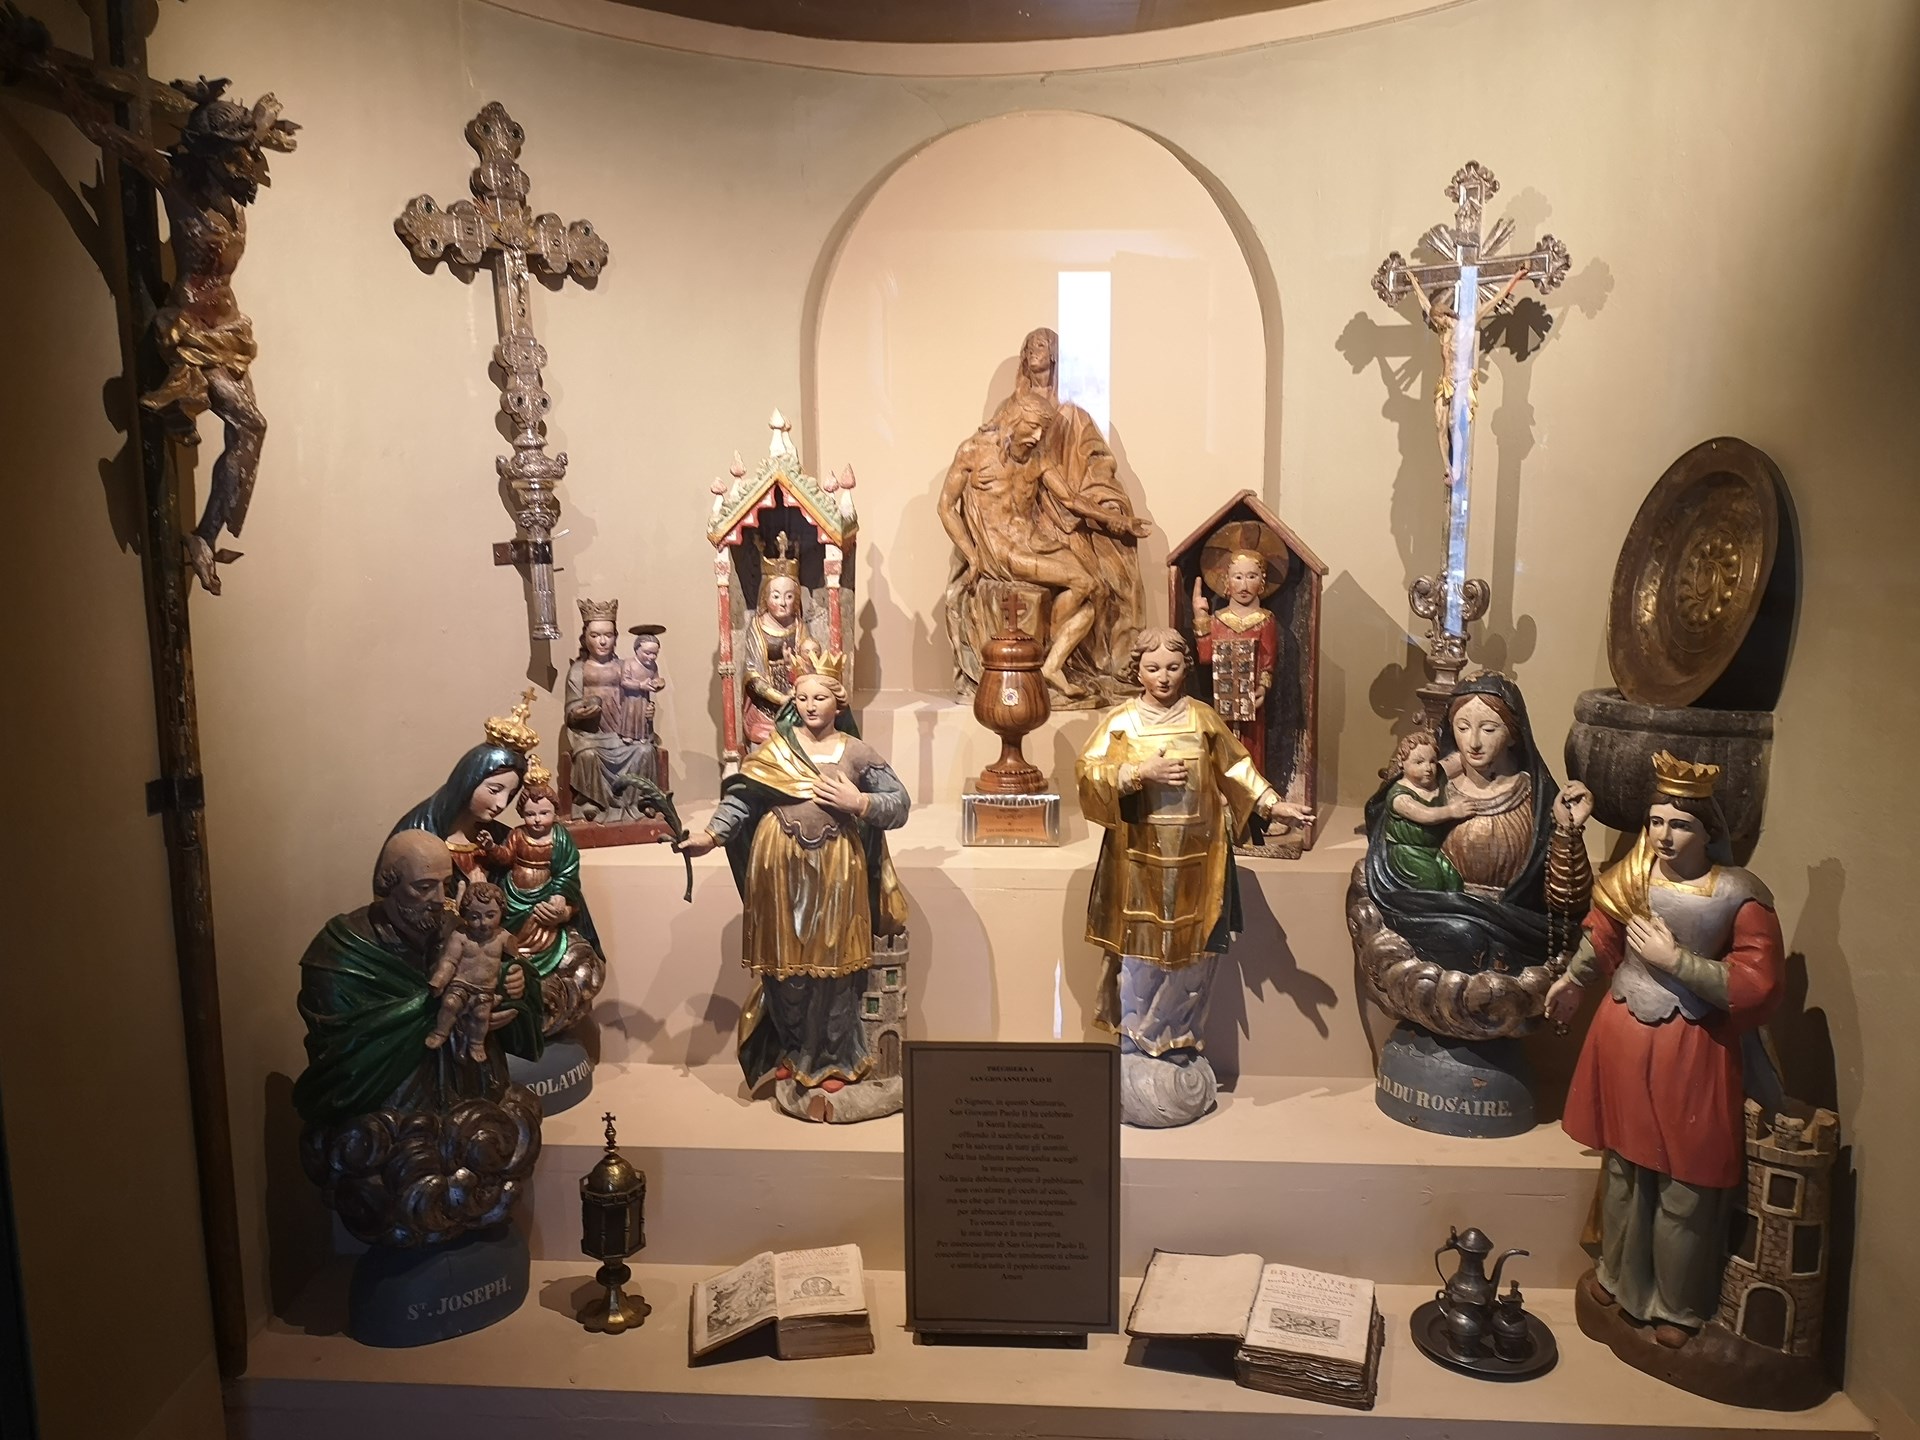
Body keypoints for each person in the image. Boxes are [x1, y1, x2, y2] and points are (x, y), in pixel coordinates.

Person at [1545, 752, 1784, 1348]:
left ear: (1709, 832)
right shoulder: (1633, 875)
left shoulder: (1738, 894)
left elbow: (1758, 982)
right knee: (1624, 1168)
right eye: (1655, 822)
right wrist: (1573, 981)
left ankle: (1676, 1306)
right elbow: (1602, 935)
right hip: (1625, 1032)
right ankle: (1617, 1275)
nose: (1663, 835)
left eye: (1680, 825)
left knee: (1686, 1184)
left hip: (1693, 1047)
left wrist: (1676, 961)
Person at [1076, 627, 1313, 1126]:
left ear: (1187, 668)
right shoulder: (1121, 723)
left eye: (1173, 667)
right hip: (1139, 864)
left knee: (1193, 959)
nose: (1163, 678)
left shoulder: (1202, 718)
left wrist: (1273, 804)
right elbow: (1089, 773)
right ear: (1137, 671)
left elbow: (1237, 768)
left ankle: (1178, 1043)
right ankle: (1140, 1044)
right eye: (1152, 668)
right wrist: (1139, 773)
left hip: (1198, 864)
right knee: (1142, 958)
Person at [678, 651, 909, 1117]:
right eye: (801, 698)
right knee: (784, 970)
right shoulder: (774, 751)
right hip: (778, 864)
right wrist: (709, 836)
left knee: (836, 970)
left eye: (819, 697)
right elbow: (741, 800)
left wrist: (859, 802)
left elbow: (899, 803)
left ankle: (835, 1059)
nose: (809, 705)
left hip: (837, 869)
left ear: (838, 701)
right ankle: (794, 1051)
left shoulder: (857, 752)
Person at [292, 830, 540, 1246]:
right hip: (393, 1119)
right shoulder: (343, 953)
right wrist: (431, 1012)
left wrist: (517, 984)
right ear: (387, 884)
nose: (439, 899)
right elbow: (345, 1048)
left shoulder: (461, 928)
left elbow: (507, 975)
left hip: (470, 1105)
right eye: (424, 887)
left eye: (445, 884)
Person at [480, 759, 607, 1037]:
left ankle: (542, 965)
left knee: (544, 926)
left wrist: (560, 895)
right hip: (515, 895)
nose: (537, 819)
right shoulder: (517, 835)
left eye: (544, 813)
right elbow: (504, 858)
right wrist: (491, 848)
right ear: (522, 813)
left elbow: (568, 870)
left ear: (554, 812)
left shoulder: (561, 838)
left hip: (546, 896)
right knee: (513, 931)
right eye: (530, 813)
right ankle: (518, 959)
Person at [564, 598, 660, 822]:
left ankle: (643, 800)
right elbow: (571, 709)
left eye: (608, 635)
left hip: (625, 732)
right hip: (591, 735)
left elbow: (639, 697)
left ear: (616, 637)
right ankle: (592, 801)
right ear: (585, 638)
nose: (602, 641)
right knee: (587, 755)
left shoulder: (625, 667)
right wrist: (579, 713)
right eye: (595, 635)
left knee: (645, 751)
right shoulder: (578, 670)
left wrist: (648, 712)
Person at [739, 537, 821, 748]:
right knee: (766, 744)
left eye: (789, 596)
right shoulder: (757, 628)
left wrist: (795, 666)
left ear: (797, 599)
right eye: (776, 596)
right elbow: (751, 675)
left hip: (798, 703)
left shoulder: (800, 627)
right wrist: (778, 697)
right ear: (765, 598)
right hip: (764, 708)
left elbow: (810, 665)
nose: (783, 603)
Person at [426, 882, 514, 1062]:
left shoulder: (503, 937)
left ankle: (476, 1043)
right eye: (474, 917)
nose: (483, 923)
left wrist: (514, 970)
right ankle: (441, 1032)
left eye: (491, 915)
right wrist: (439, 980)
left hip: (485, 989)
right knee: (450, 1003)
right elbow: (449, 961)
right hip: (461, 984)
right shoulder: (460, 936)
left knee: (481, 1016)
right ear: (465, 915)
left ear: (501, 912)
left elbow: (516, 959)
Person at [1378, 730, 1468, 892]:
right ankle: (1419, 907)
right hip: (1407, 851)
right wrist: (1452, 810)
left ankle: (1451, 907)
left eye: (1432, 761)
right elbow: (1425, 815)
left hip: (1433, 849)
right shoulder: (1400, 796)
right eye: (1418, 762)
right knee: (1431, 882)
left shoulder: (1437, 779)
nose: (1428, 768)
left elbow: (1459, 760)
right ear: (1402, 763)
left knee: (1453, 880)